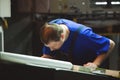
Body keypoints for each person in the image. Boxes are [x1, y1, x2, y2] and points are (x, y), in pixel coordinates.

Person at [40, 18, 115, 68]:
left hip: (89, 67)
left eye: (54, 46)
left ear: (62, 36)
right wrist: (46, 57)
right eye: (47, 46)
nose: (51, 49)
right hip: (72, 64)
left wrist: (96, 64)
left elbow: (110, 44)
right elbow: (48, 54)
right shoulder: (50, 27)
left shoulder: (84, 35)